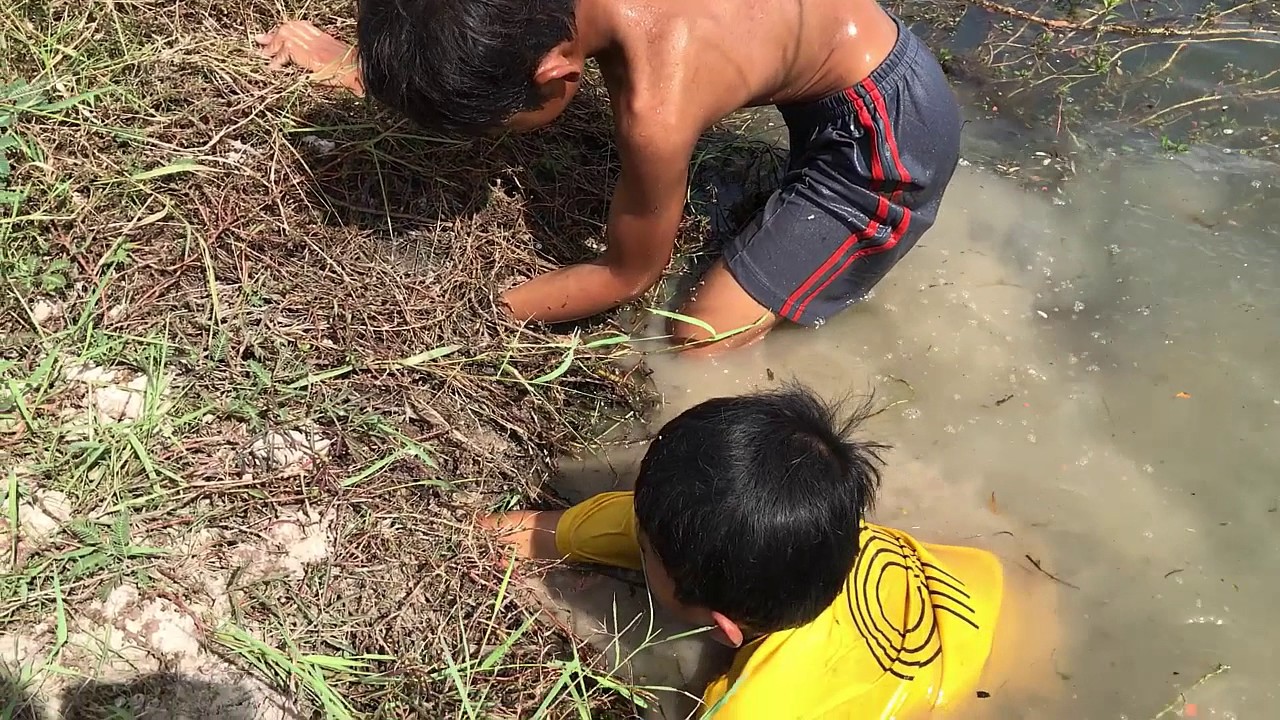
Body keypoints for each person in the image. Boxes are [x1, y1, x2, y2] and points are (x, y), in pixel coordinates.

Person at [255, 0, 962, 355]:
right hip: (829, 39)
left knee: (699, 341)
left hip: (886, 136)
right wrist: (370, 61)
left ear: (555, 74)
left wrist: (479, 315)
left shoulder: (657, 111)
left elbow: (626, 274)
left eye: (495, 122)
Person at [479, 386, 1037, 718]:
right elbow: (528, 532)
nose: (633, 528)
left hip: (963, 682)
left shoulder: (757, 705)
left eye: (643, 546)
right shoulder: (807, 524)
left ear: (725, 629)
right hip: (980, 582)